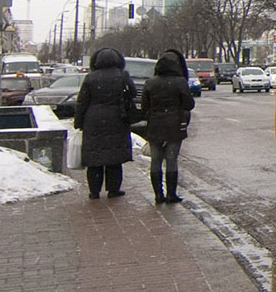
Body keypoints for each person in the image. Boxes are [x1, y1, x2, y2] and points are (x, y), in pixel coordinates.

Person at [74, 47, 137, 199]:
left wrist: (79, 122)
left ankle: (94, 191)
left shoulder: (90, 77)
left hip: (93, 120)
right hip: (117, 118)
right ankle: (113, 189)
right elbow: (133, 93)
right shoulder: (122, 76)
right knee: (114, 158)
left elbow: (82, 102)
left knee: (94, 158)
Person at [141, 49, 195, 204]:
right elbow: (189, 104)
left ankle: (158, 194)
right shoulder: (180, 82)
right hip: (174, 125)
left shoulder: (150, 82)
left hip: (155, 125)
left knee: (155, 160)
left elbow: (145, 107)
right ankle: (171, 194)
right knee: (171, 159)